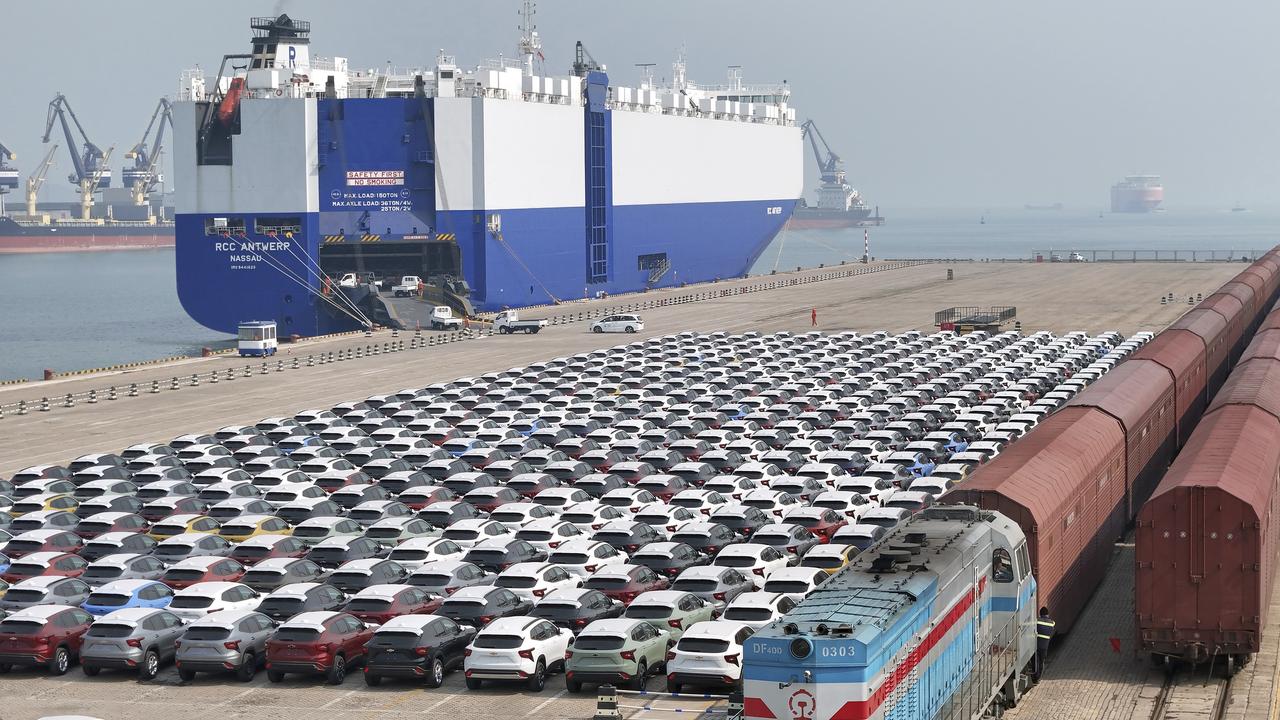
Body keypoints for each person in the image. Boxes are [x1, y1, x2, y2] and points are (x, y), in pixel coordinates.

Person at [1034, 607, 1056, 681]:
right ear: (1047, 614)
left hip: (1036, 645)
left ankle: (1035, 676)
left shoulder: (1037, 621)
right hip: (1045, 646)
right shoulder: (1052, 623)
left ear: (1040, 614)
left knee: (1036, 660)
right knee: (1041, 661)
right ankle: (1038, 678)